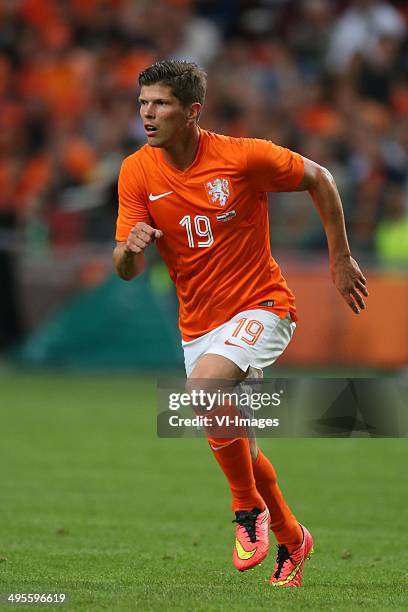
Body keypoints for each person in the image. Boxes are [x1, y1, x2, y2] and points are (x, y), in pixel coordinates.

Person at [113, 60, 369, 587]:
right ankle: (294, 539)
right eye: (143, 104)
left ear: (192, 112)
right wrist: (130, 250)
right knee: (242, 444)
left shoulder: (242, 156)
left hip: (262, 305)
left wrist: (340, 258)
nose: (148, 114)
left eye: (160, 104)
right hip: (199, 326)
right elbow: (126, 266)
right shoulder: (136, 171)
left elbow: (320, 179)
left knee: (202, 387)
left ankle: (246, 510)